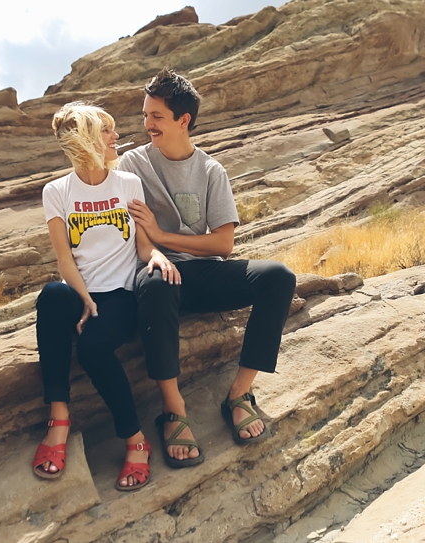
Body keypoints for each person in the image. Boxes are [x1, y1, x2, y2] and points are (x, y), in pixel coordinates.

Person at [119, 69, 297, 468]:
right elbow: (132, 231)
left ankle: (239, 393)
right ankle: (174, 409)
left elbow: (223, 243)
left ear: (184, 120)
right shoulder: (131, 164)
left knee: (279, 277)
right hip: (158, 273)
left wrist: (165, 235)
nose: (147, 125)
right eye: (145, 115)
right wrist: (157, 250)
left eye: (157, 117)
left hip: (205, 272)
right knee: (157, 280)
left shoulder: (212, 171)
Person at [32, 102, 181, 491]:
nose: (116, 137)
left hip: (120, 294)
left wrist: (159, 256)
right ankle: (59, 419)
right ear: (85, 140)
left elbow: (144, 246)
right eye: (106, 131)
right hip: (83, 291)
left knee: (92, 349)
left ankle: (135, 440)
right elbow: (64, 261)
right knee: (51, 296)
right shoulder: (56, 192)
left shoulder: (128, 185)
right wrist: (84, 300)